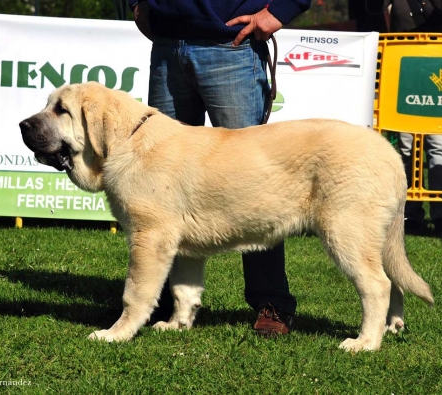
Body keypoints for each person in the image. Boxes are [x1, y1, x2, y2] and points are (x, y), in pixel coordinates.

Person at [128, 0, 311, 336]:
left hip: (232, 47)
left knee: (254, 183)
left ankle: (271, 303)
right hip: (168, 47)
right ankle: (169, 303)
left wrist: (281, 10)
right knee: (162, 190)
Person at [385, 0, 442, 234]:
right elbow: (372, 9)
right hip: (403, 69)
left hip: (438, 68)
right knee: (407, 147)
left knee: (438, 145)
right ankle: (410, 213)